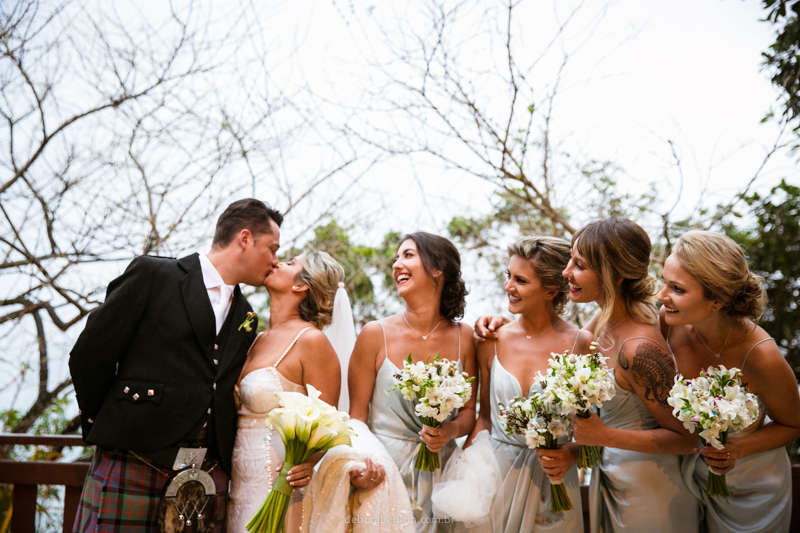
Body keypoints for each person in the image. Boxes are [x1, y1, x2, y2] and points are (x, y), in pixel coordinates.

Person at [69, 198, 283, 533]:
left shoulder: (246, 315)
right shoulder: (155, 275)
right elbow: (89, 355)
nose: (275, 260)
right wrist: (115, 428)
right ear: (244, 239)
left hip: (203, 479)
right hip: (133, 462)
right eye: (272, 248)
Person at [475, 219, 700, 533]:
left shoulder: (640, 348)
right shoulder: (601, 324)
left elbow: (687, 438)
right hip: (607, 479)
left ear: (614, 274)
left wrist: (605, 437)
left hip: (650, 490)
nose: (566, 271)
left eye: (578, 265)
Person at [658, 230, 800, 533]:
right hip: (688, 480)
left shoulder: (762, 356)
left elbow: (792, 425)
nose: (661, 295)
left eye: (677, 288)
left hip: (753, 490)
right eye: (663, 281)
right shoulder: (670, 322)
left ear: (718, 300)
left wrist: (737, 450)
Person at [348, 232, 478, 533]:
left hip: (445, 479)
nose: (396, 264)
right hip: (384, 473)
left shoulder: (465, 338)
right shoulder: (373, 334)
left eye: (407, 255)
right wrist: (362, 465)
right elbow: (356, 417)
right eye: (396, 257)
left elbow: (470, 412)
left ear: (437, 269)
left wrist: (448, 431)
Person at [463, 237, 590, 532]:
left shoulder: (579, 342)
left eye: (520, 280)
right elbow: (484, 418)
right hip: (494, 479)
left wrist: (571, 454)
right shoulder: (490, 340)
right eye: (509, 275)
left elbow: (593, 425)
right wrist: (464, 475)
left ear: (551, 290)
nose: (508, 287)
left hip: (552, 483)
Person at [226, 250, 344, 532]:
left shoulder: (312, 342)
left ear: (301, 285)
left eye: (290, 263)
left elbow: (329, 422)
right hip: (233, 482)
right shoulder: (252, 338)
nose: (277, 262)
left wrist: (309, 463)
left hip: (277, 484)